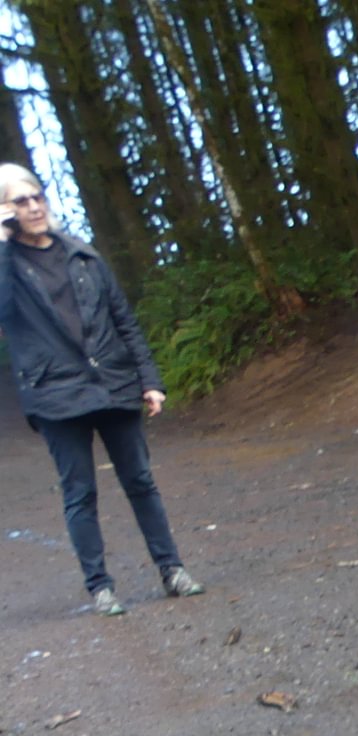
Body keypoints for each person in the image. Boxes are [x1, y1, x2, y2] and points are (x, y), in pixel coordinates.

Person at [0, 163, 202, 617]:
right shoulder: (8, 265)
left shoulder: (82, 255)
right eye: (20, 201)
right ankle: (100, 587)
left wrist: (149, 380)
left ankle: (172, 570)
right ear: (6, 211)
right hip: (55, 396)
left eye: (36, 197)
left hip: (112, 384)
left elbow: (124, 321)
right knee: (80, 494)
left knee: (141, 482)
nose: (33, 207)